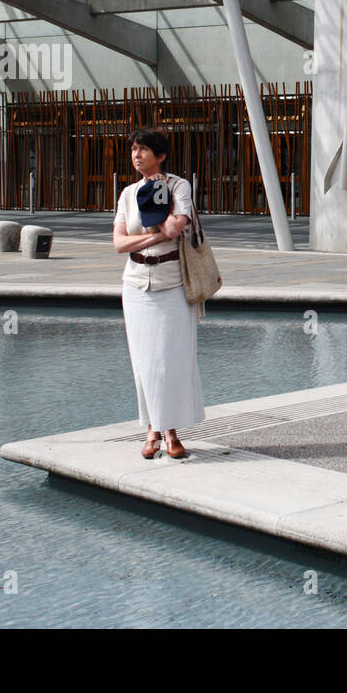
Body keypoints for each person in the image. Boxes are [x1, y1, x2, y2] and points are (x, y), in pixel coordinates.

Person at [112, 127, 206, 460]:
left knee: (170, 360)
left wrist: (158, 202)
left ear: (161, 155)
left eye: (143, 150)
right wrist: (152, 239)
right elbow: (119, 243)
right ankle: (152, 429)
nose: (137, 155)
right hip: (135, 283)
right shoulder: (127, 194)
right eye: (134, 149)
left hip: (172, 282)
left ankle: (171, 432)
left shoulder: (178, 186)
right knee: (143, 363)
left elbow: (173, 228)